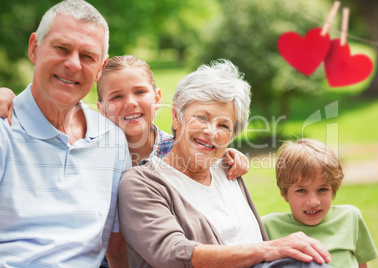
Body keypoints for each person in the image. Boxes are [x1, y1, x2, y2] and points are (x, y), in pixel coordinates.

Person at [118, 59, 332, 268]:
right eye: (201, 117)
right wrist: (266, 249)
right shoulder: (140, 183)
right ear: (176, 117)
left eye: (223, 125)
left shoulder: (228, 168)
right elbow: (172, 253)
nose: (211, 132)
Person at [0, 0, 132, 267]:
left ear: (100, 68)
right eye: (62, 48)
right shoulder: (4, 130)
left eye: (87, 56)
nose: (73, 64)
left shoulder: (112, 139)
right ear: (34, 48)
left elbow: (117, 245)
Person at [95, 55, 250, 267]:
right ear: (101, 109)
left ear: (157, 99)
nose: (130, 102)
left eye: (139, 92)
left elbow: (204, 147)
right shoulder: (97, 163)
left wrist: (226, 154)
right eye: (116, 97)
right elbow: (113, 241)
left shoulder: (175, 148)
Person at [261, 138, 378, 268]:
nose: (313, 202)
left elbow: (362, 264)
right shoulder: (268, 226)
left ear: (333, 190)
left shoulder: (350, 217)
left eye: (322, 189)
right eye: (301, 190)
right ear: (284, 193)